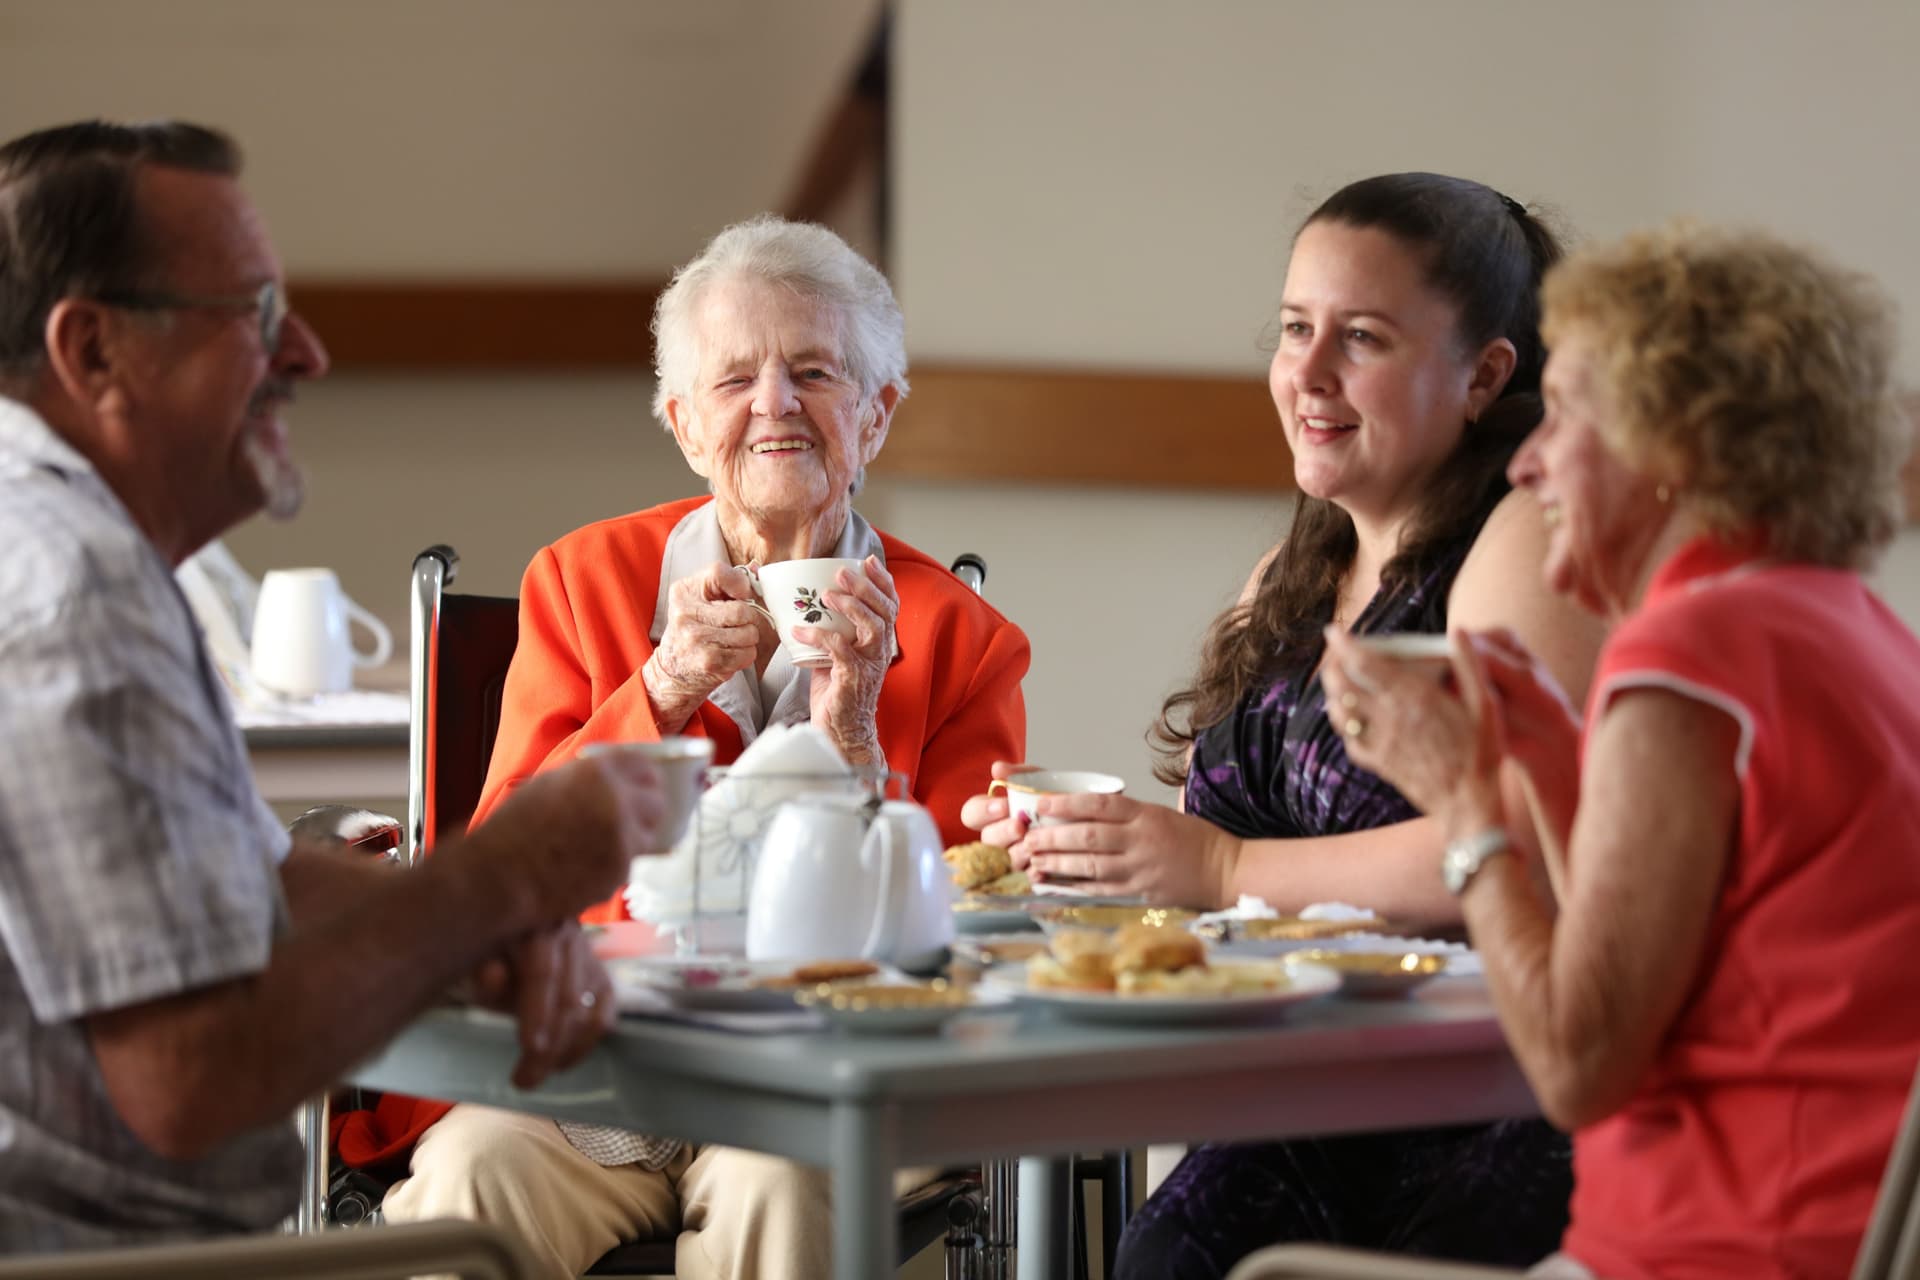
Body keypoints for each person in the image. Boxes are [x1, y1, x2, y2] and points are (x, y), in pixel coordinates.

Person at [0, 120, 669, 1255]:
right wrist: (512, 868)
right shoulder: (75, 592)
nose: (306, 351)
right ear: (94, 350)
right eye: (255, 313)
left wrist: (493, 918)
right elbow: (189, 1081)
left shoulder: (58, 544)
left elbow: (258, 876)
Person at [962, 174, 1608, 1275]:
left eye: (1360, 338)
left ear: (1484, 375)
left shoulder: (1522, 547)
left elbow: (1531, 845)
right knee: (1158, 1256)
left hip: (1493, 1096)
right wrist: (1090, 852)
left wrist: (1217, 866)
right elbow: (1218, 852)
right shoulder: (1293, 574)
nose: (1306, 373)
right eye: (1296, 328)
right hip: (1316, 1091)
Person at [378, 216, 1030, 1279]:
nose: (774, 405)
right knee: (467, 1183)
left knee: (781, 1188)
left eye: (814, 371)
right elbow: (502, 865)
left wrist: (852, 734)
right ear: (684, 424)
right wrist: (661, 686)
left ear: (878, 413)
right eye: (735, 380)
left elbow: (959, 920)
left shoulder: (960, 637)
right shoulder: (583, 580)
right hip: (589, 1069)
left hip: (821, 1085)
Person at [1324, 222, 1920, 1279]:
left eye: (1565, 414)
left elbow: (1576, 1064)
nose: (1527, 459)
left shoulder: (1691, 651)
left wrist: (1469, 805)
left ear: (1672, 445)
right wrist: (1553, 755)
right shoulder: (1858, 628)